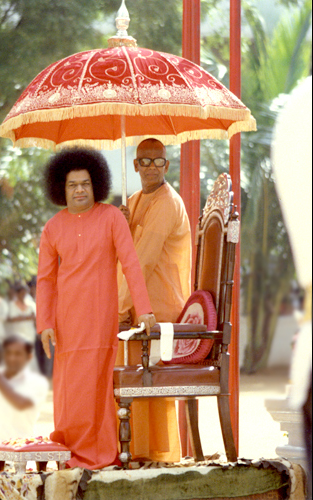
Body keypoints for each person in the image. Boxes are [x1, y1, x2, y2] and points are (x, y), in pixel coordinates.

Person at [36, 146, 156, 470]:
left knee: (96, 387)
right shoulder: (52, 228)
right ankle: (69, 451)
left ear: (96, 185)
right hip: (66, 321)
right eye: (73, 185)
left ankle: (99, 455)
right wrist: (45, 323)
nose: (80, 190)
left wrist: (144, 309)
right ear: (61, 189)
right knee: (69, 389)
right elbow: (45, 280)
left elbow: (131, 264)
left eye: (85, 184)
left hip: (100, 316)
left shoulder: (112, 217)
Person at [117, 138, 192, 463]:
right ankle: (129, 449)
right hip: (136, 305)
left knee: (140, 377)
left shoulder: (167, 203)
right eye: (144, 161)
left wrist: (118, 309)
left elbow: (143, 261)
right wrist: (120, 225)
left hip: (159, 310)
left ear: (167, 165)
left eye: (157, 161)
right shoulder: (132, 201)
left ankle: (154, 453)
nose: (151, 167)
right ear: (135, 166)